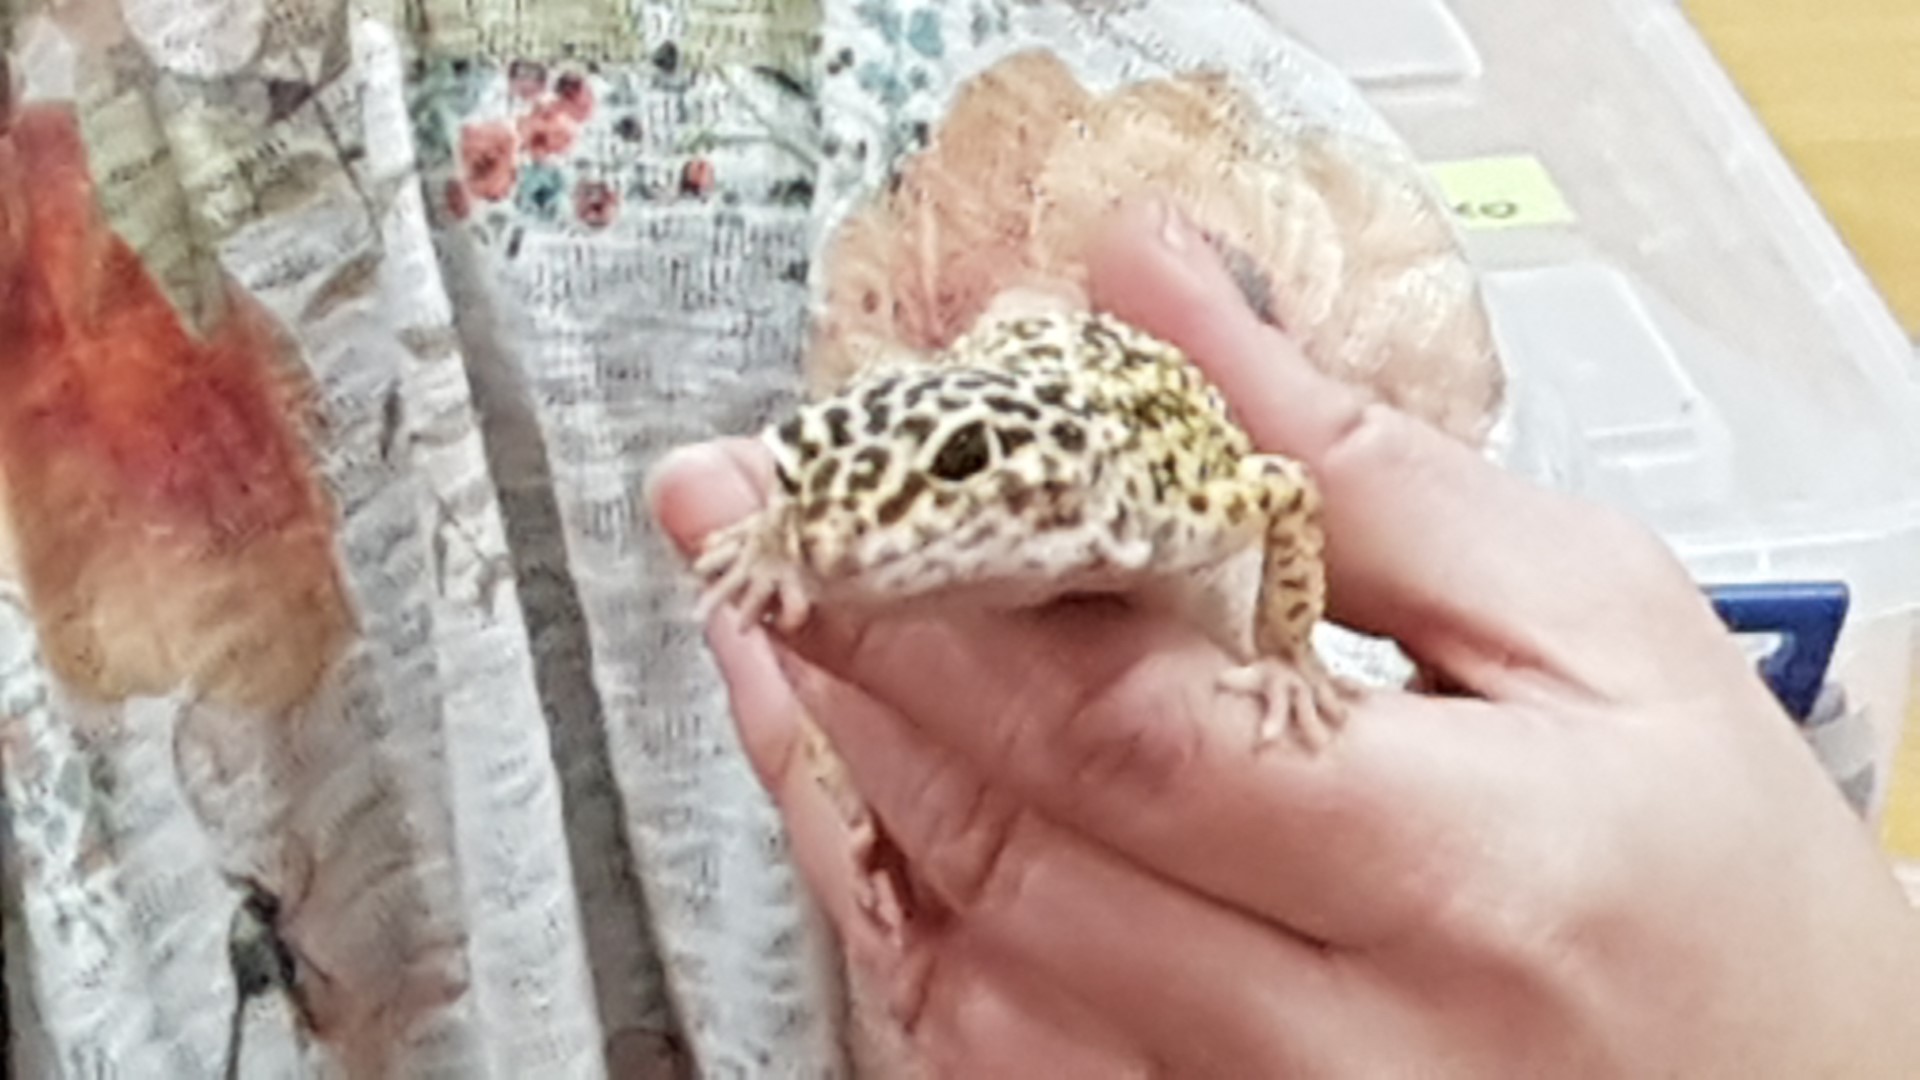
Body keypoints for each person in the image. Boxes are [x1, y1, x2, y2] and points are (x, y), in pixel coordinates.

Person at [649, 198, 1920, 1075]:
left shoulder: (1146, 498)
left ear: (1050, 483)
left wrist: (1289, 655)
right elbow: (836, 502)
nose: (847, 546)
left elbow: (1276, 494)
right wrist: (787, 540)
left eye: (960, 480)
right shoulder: (875, 502)